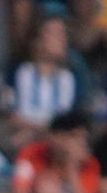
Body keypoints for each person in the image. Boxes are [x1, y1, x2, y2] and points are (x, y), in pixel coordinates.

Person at [10, 14, 85, 143]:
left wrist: (34, 130)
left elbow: (62, 121)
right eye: (56, 34)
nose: (62, 39)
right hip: (29, 138)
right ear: (38, 40)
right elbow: (18, 117)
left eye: (63, 34)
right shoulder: (24, 73)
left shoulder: (67, 78)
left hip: (54, 140)